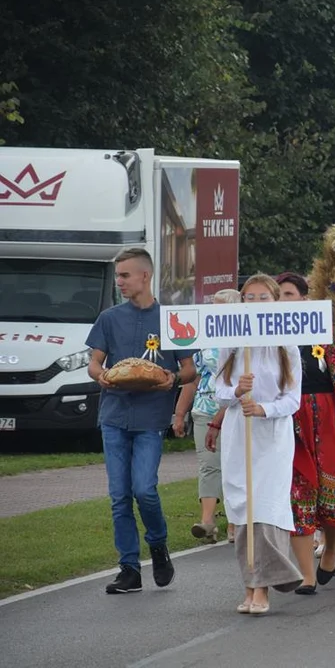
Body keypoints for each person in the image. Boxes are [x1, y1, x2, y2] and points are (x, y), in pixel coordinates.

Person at [86, 247, 197, 595]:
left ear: (145, 277)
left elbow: (190, 371)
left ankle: (159, 545)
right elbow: (94, 363)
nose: (119, 281)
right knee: (119, 496)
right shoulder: (108, 318)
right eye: (118, 276)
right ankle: (129, 568)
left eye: (125, 275)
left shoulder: (172, 318)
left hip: (151, 417)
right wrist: (100, 375)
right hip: (114, 415)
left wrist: (171, 379)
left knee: (144, 489)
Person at [211, 274, 304, 614]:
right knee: (243, 512)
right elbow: (217, 387)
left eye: (263, 297)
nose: (256, 304)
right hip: (239, 434)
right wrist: (236, 392)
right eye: (249, 298)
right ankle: (250, 585)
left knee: (265, 511)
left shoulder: (287, 345)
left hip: (273, 437)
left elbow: (293, 399)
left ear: (275, 301)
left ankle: (264, 588)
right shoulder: (232, 343)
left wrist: (264, 407)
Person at [276, 272, 335, 594]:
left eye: (287, 294)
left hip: (328, 421)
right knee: (297, 496)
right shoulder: (269, 336)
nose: (281, 300)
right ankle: (306, 575)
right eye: (278, 294)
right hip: (290, 423)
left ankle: (330, 547)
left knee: (332, 498)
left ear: (303, 297)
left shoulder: (326, 333)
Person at [174, 288, 241, 544]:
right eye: (212, 305)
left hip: (235, 409)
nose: (213, 311)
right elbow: (193, 379)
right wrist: (180, 414)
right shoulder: (202, 340)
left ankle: (236, 522)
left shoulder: (242, 340)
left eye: (220, 306)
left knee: (234, 465)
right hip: (204, 407)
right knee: (209, 465)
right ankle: (208, 522)